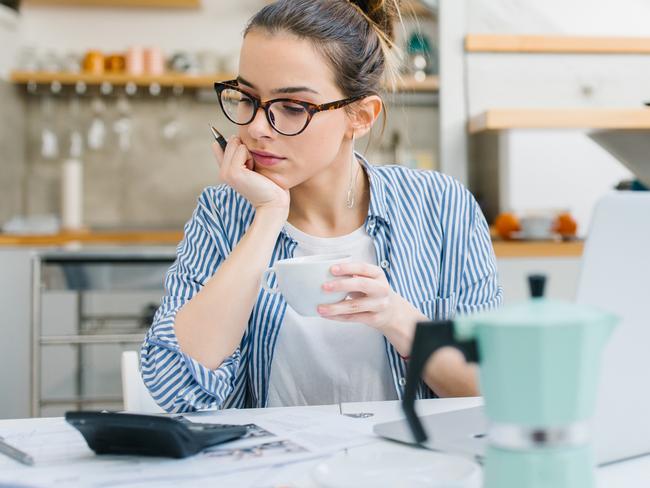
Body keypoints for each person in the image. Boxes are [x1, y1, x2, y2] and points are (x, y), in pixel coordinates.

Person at [140, 0, 502, 413]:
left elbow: (492, 389)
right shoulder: (224, 213)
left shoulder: (442, 207)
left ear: (360, 116)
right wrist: (267, 217)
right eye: (245, 98)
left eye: (292, 107)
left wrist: (396, 318)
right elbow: (176, 389)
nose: (256, 128)